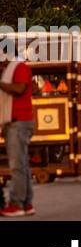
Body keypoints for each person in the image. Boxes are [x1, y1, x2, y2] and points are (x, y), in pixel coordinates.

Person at [0, 51, 36, 216]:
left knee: (17, 166)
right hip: (16, 121)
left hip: (18, 121)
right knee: (22, 165)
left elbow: (19, 89)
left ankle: (16, 203)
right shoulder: (11, 68)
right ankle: (26, 203)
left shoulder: (19, 67)